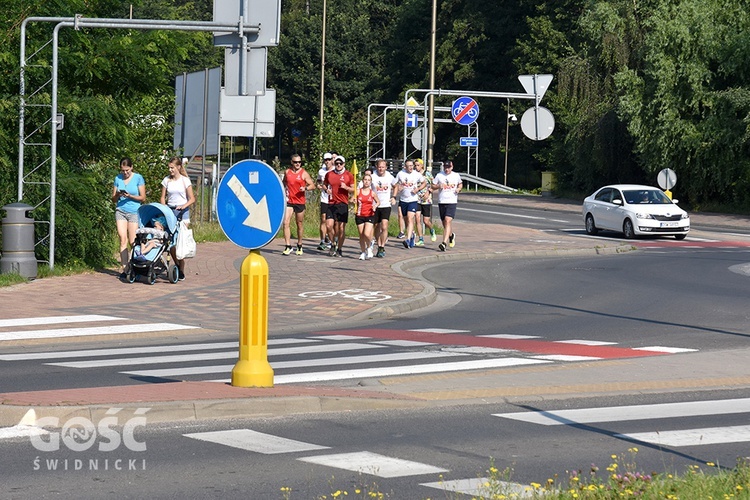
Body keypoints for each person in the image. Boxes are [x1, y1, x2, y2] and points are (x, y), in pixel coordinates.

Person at [160, 156, 195, 280]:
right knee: (171, 244)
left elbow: (192, 198)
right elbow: (163, 197)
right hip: (170, 211)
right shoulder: (167, 180)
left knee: (179, 240)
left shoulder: (185, 180)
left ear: (178, 167)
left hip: (182, 212)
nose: (170, 170)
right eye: (169, 168)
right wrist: (164, 208)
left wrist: (183, 206)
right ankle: (177, 263)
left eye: (172, 168)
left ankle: (181, 268)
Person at [112, 157, 146, 279]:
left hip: (134, 211)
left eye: (127, 170)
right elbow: (113, 198)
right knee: (122, 239)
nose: (125, 173)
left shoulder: (138, 178)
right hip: (120, 210)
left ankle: (136, 265)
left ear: (131, 167)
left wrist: (130, 195)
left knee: (133, 241)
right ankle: (125, 269)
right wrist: (118, 194)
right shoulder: (117, 179)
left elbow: (143, 197)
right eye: (123, 170)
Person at [282, 154, 315, 255]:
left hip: (300, 202)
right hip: (289, 201)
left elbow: (312, 185)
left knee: (299, 223)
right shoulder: (287, 172)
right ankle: (288, 246)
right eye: (295, 162)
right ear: (292, 162)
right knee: (285, 223)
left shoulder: (304, 173)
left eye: (299, 162)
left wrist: (305, 188)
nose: (298, 164)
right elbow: (283, 184)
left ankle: (299, 245)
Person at [324, 155, 355, 257]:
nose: (338, 165)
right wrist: (326, 189)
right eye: (336, 163)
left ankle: (340, 248)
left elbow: (353, 189)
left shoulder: (348, 175)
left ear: (344, 164)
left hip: (343, 204)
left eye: (340, 164)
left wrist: (346, 187)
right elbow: (324, 184)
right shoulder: (329, 174)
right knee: (329, 226)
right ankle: (333, 244)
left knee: (341, 228)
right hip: (331, 203)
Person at [394, 159, 427, 249]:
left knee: (410, 217)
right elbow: (394, 184)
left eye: (412, 166)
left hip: (413, 200)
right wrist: (398, 188)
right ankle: (412, 234)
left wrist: (418, 189)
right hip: (403, 200)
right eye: (409, 166)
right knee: (406, 220)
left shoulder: (417, 174)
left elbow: (424, 183)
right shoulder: (401, 174)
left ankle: (407, 240)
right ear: (405, 167)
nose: (411, 167)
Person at [432, 160, 462, 252]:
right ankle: (451, 235)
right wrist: (438, 186)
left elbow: (460, 184)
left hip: (452, 201)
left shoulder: (456, 175)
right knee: (444, 223)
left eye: (448, 167)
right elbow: (432, 186)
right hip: (442, 201)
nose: (447, 169)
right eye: (445, 167)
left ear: (452, 167)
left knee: (448, 220)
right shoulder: (439, 175)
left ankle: (444, 243)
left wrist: (458, 189)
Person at [370, 159, 397, 258]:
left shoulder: (389, 177)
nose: (381, 169)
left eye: (383, 167)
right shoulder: (372, 177)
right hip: (375, 205)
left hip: (386, 205)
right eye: (379, 167)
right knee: (376, 226)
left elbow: (396, 186)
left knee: (384, 226)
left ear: (386, 167)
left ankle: (382, 247)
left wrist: (394, 197)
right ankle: (379, 243)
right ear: (376, 167)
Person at [355, 173, 378, 260]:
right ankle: (363, 252)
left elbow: (378, 201)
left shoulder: (372, 193)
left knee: (366, 234)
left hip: (369, 215)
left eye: (368, 180)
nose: (367, 182)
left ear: (370, 182)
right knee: (361, 235)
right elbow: (351, 200)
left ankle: (369, 247)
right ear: (362, 181)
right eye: (365, 180)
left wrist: (375, 206)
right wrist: (352, 200)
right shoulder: (358, 191)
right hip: (359, 215)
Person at [414, 158, 436, 246]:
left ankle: (431, 230)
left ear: (422, 165)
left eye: (418, 165)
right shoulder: (414, 174)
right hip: (417, 199)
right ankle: (421, 239)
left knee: (426, 221)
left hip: (426, 200)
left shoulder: (427, 174)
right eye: (415, 165)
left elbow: (434, 185)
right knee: (417, 218)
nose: (416, 167)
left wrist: (428, 192)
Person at [316, 152, 335, 250]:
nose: (327, 162)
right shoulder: (321, 171)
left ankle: (333, 241)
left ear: (332, 160)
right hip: (324, 198)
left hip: (334, 199)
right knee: (323, 219)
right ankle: (322, 241)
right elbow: (318, 181)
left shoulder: (336, 170)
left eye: (329, 159)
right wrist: (319, 185)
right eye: (325, 160)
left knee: (332, 223)